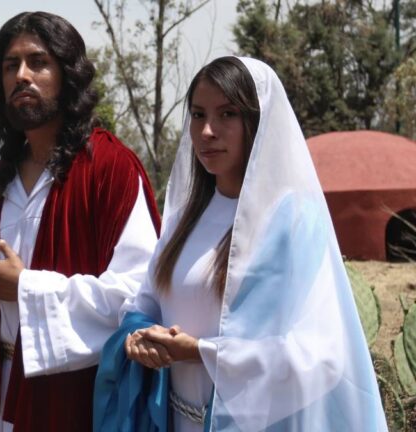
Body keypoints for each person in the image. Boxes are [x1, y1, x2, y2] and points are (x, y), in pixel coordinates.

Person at [93, 56, 387, 431]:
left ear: (257, 121)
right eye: (198, 115)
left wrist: (202, 352)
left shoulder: (292, 222)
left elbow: (322, 354)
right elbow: (144, 304)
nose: (207, 131)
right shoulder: (183, 219)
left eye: (227, 114)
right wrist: (137, 337)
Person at [0, 11, 161, 432]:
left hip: (75, 399)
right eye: (11, 66)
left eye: (38, 63)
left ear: (68, 75)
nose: (22, 76)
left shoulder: (110, 169)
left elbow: (138, 296)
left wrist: (27, 289)